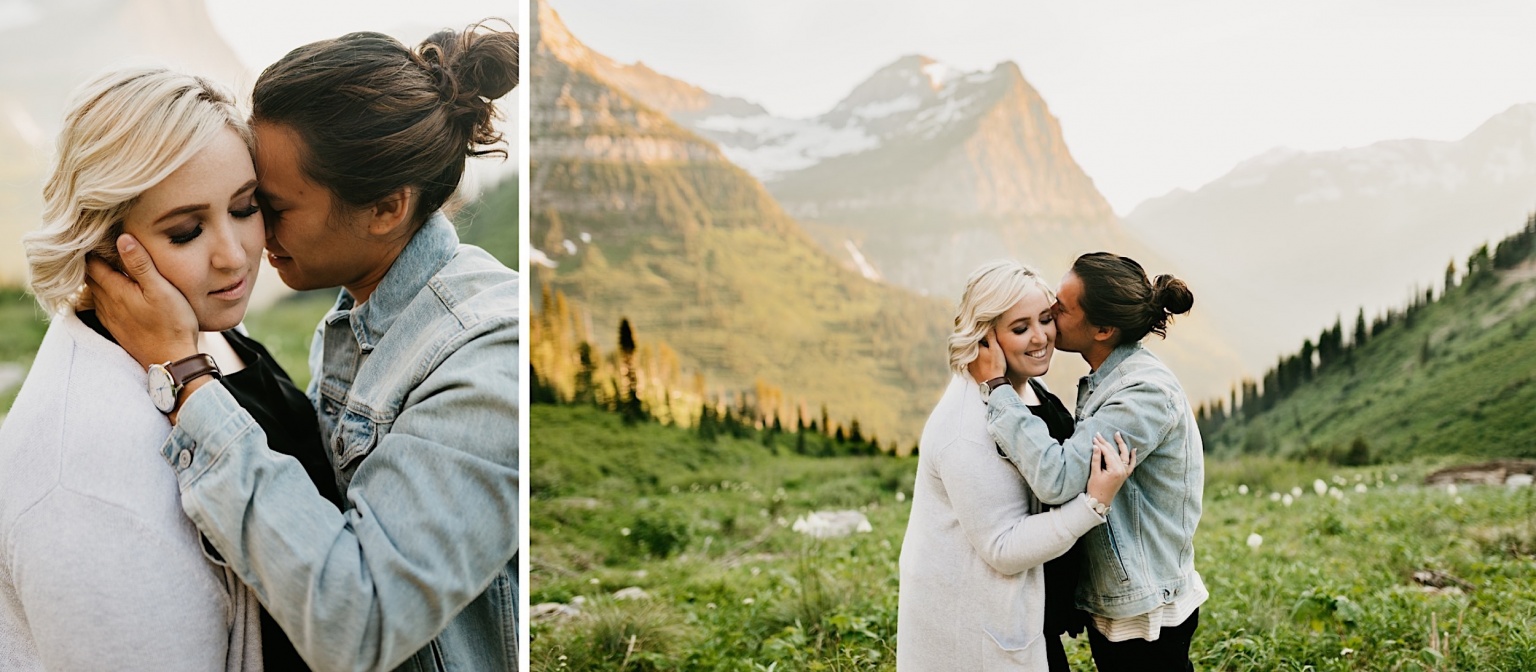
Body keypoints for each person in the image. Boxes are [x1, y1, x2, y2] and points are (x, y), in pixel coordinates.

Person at [83, 23, 520, 672]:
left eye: (270, 205)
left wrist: (185, 376)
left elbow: (362, 624)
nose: (253, 235)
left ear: (385, 208)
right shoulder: (360, 315)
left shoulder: (484, 356)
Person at [1, 67, 337, 671]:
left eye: (245, 207)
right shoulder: (81, 485)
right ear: (105, 243)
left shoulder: (199, 328)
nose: (234, 256)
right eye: (185, 231)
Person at [968, 252, 1205, 672]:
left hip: (1143, 612)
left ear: (1103, 329)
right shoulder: (1111, 378)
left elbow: (1058, 478)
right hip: (1124, 602)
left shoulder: (1141, 395)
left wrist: (997, 389)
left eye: (1059, 309)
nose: (1049, 317)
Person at [899, 260, 1135, 671]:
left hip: (1024, 615)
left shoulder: (1024, 391)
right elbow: (1003, 547)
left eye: (1045, 319)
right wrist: (1093, 505)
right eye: (1020, 328)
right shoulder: (964, 428)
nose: (1041, 337)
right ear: (985, 337)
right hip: (979, 632)